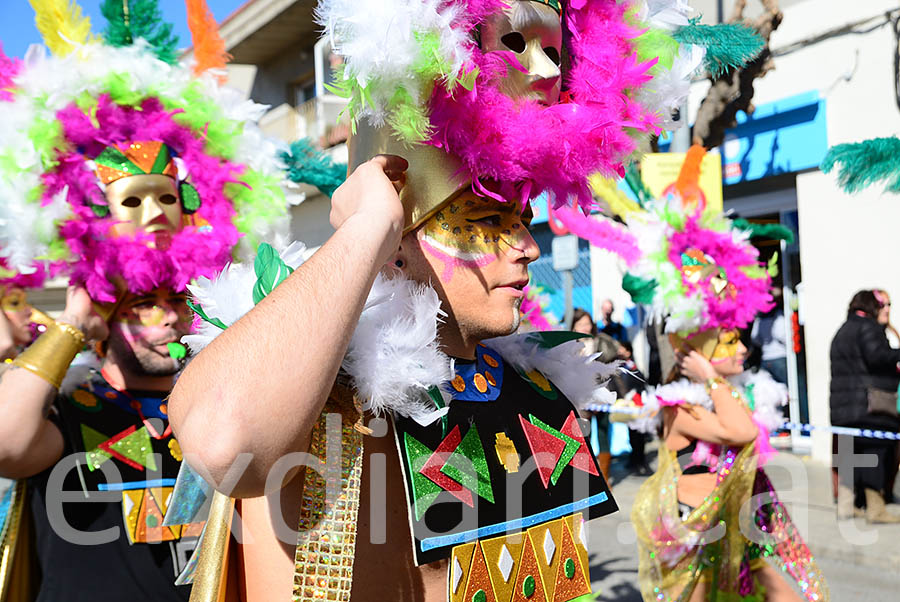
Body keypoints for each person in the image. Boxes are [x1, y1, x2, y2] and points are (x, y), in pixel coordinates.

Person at [165, 2, 739, 600]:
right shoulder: (322, 398)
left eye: (521, 218)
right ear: (397, 242)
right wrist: (366, 229)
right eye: (486, 221)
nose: (526, 247)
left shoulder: (535, 387)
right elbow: (222, 442)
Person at [0, 3, 295, 598]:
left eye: (174, 300)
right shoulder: (74, 408)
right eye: (139, 306)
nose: (164, 319)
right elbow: (6, 444)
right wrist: (74, 324)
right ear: (106, 317)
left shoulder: (220, 412)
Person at [622, 146, 828, 601]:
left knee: (784, 591)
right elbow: (740, 432)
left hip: (742, 520)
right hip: (692, 525)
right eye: (729, 342)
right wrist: (711, 380)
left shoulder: (739, 391)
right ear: (698, 352)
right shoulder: (679, 405)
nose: (742, 348)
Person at [830, 290, 900, 523]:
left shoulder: (844, 329)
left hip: (844, 408)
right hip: (870, 407)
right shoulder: (867, 327)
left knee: (849, 455)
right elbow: (878, 356)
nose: (887, 309)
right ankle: (876, 509)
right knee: (875, 454)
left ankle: (846, 506)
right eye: (884, 304)